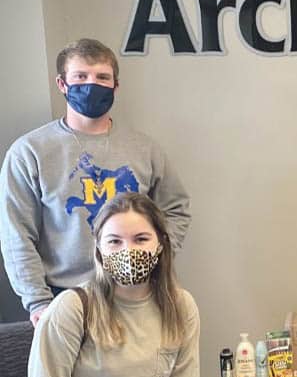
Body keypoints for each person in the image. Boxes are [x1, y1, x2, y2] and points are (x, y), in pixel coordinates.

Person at [0, 38, 191, 327]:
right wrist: (37, 300)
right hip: (65, 299)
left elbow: (176, 209)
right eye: (81, 77)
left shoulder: (145, 149)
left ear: (116, 85)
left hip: (136, 296)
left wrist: (155, 259)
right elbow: (15, 234)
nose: (92, 85)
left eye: (102, 77)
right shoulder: (29, 152)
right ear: (62, 84)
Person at [19, 192, 199, 377]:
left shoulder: (181, 307)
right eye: (114, 241)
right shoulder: (71, 308)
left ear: (161, 245)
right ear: (99, 249)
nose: (127, 251)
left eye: (141, 239)